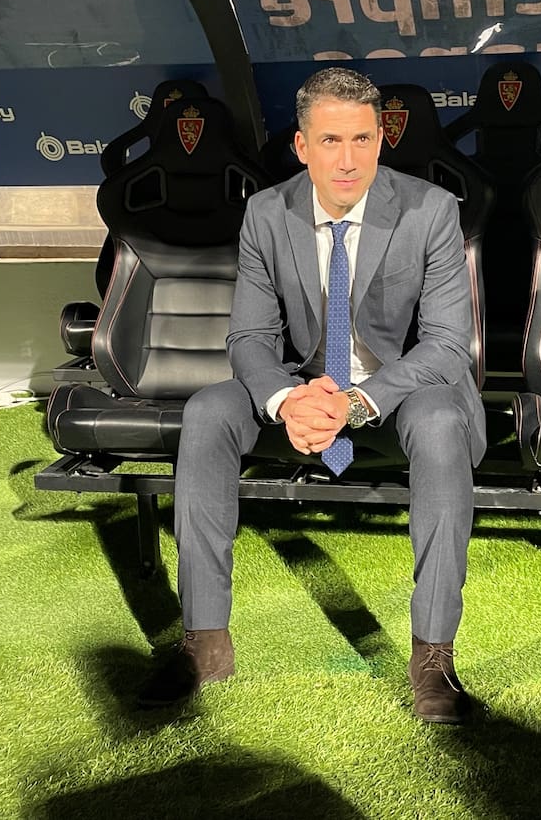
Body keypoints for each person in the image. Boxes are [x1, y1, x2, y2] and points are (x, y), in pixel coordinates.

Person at [140, 67, 486, 724]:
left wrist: (354, 403)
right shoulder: (267, 213)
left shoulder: (430, 210)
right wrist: (287, 400)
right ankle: (204, 644)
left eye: (361, 139)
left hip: (395, 398)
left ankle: (434, 658)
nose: (348, 160)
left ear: (381, 139)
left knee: (442, 419)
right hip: (303, 389)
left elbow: (446, 344)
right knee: (208, 410)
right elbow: (249, 337)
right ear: (302, 146)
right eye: (330, 141)